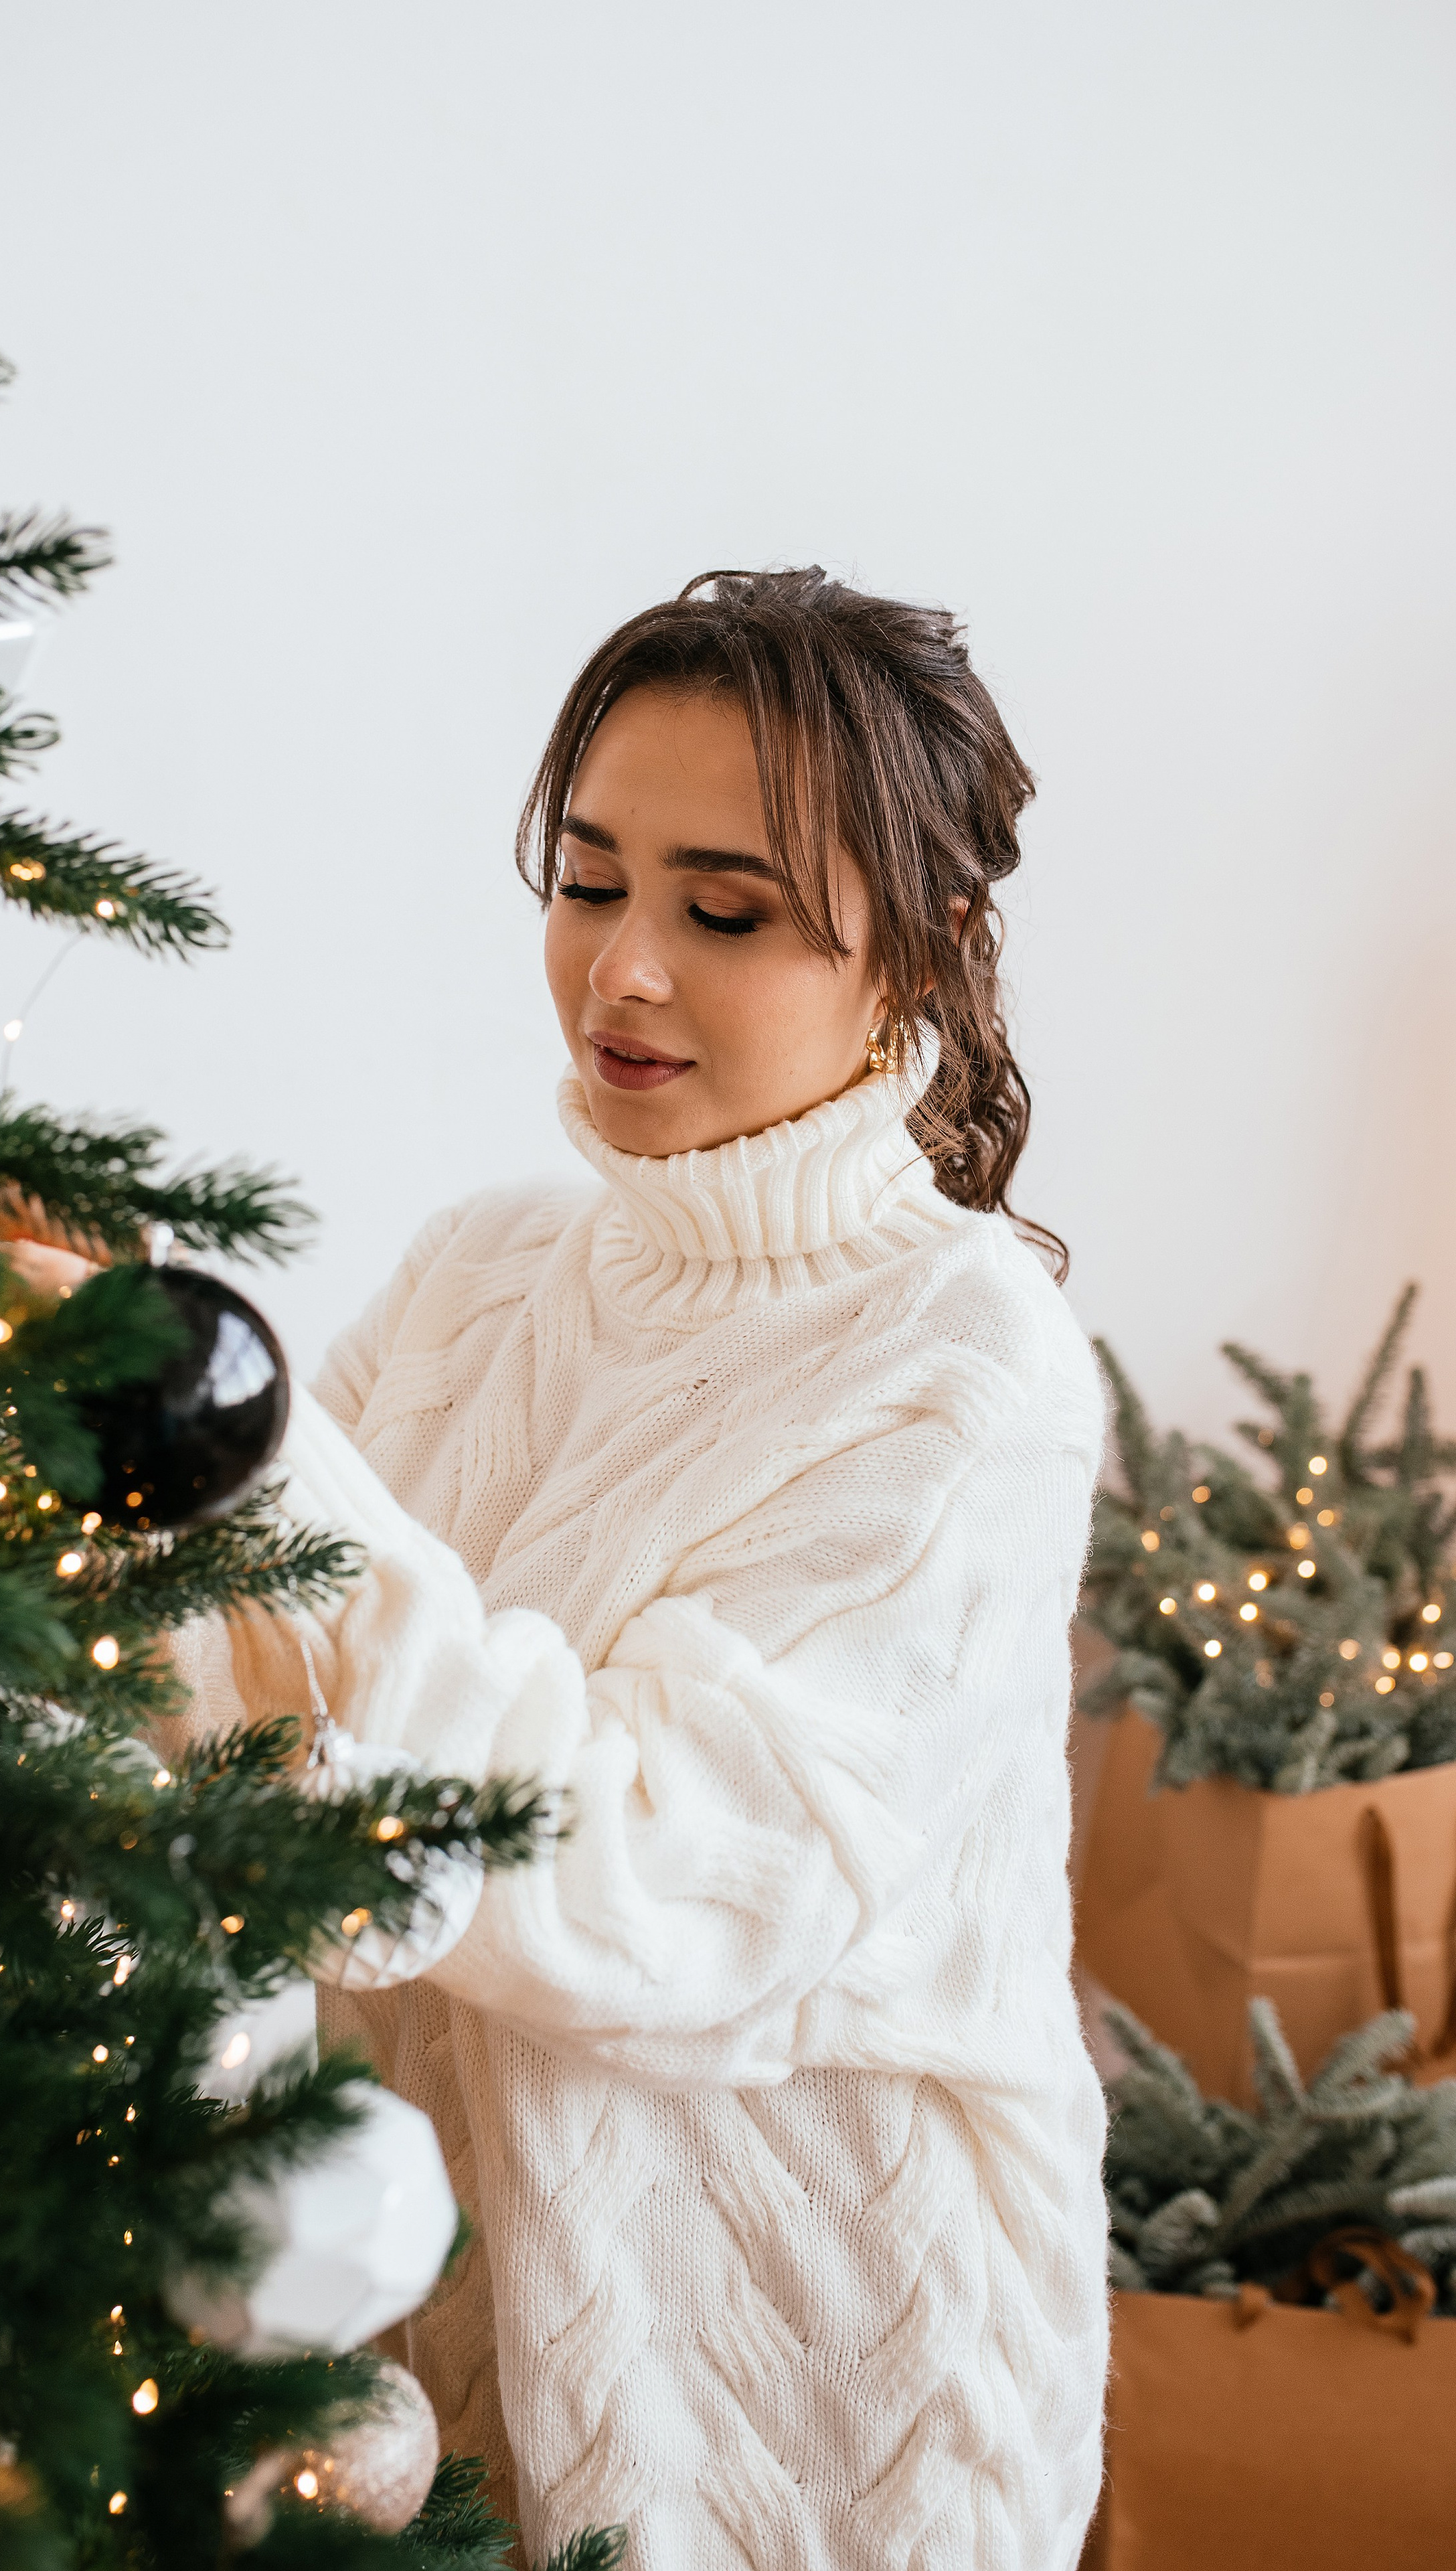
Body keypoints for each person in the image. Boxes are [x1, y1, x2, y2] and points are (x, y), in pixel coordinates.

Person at [171, 569, 1108, 2569]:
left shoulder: (969, 1367)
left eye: (728, 911)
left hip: (786, 2423)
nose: (625, 973)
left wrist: (231, 1445)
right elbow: (234, 1681)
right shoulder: (476, 1274)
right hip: (400, 2387)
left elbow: (656, 1878)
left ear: (920, 952)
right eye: (590, 884)